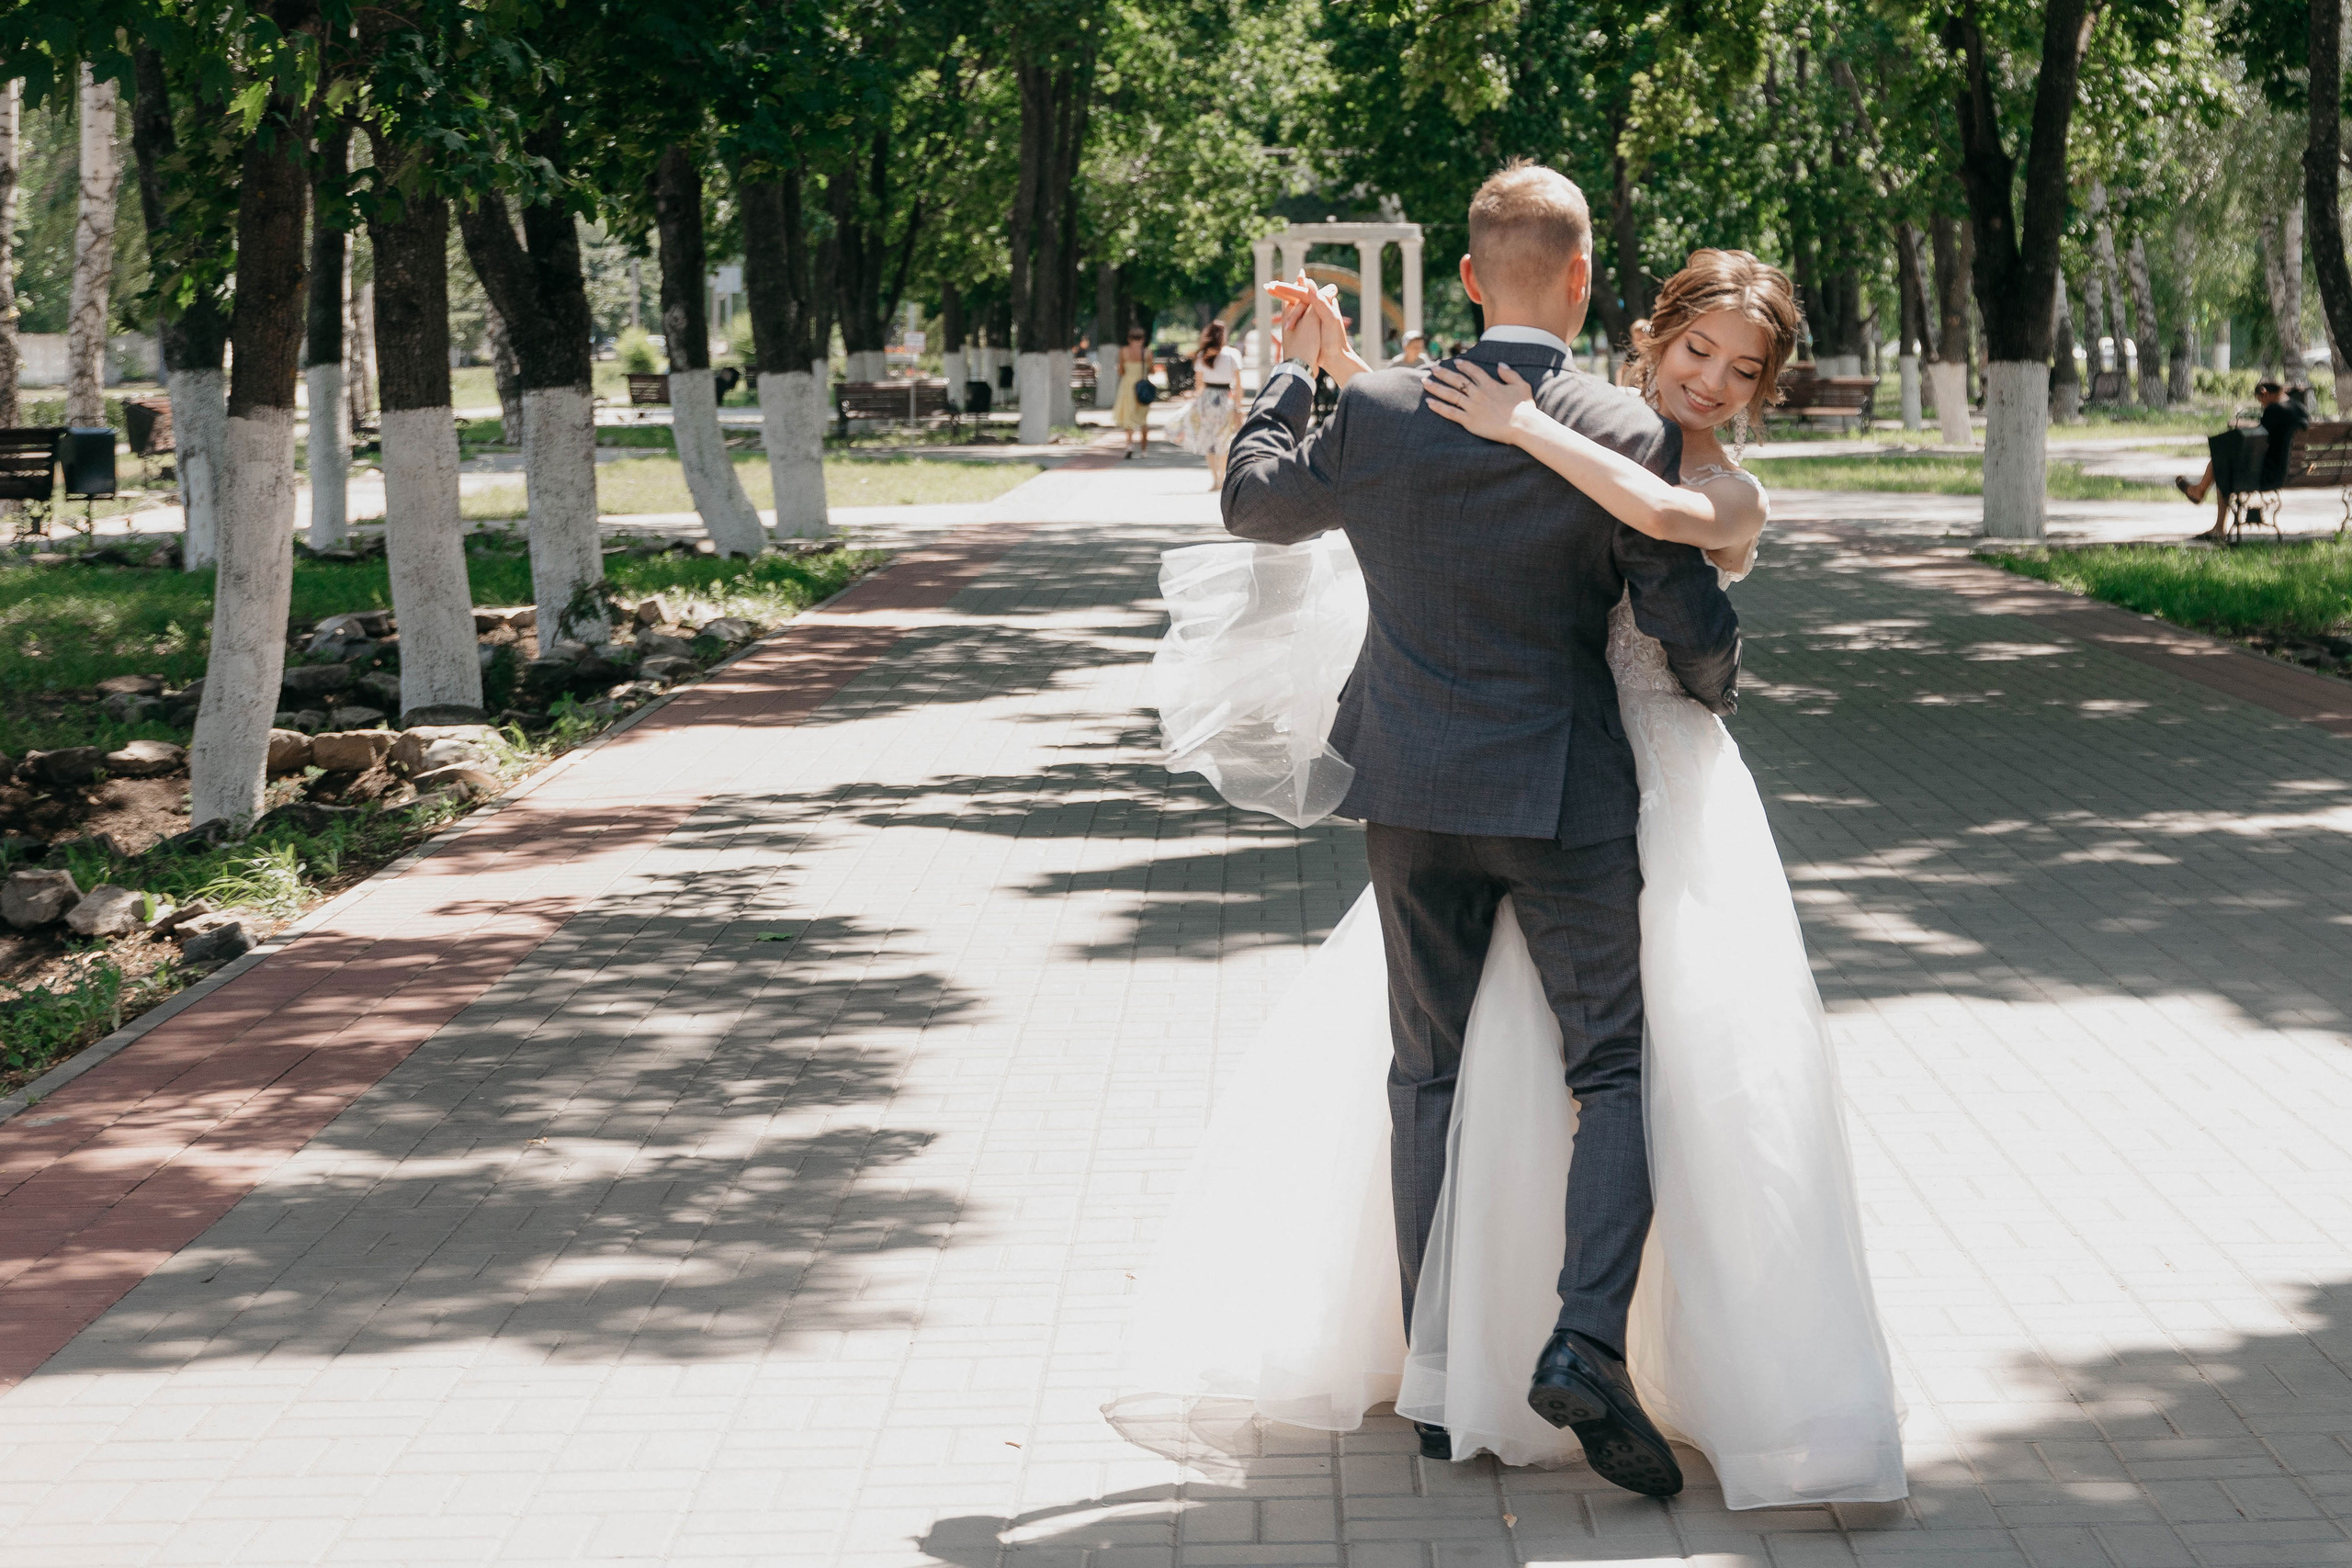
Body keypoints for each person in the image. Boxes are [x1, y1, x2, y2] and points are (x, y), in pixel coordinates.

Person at [1117, 165, 1906, 1511]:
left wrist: (1298, 378)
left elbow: (1253, 505)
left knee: (1425, 1070)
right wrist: (1711, 696)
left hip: (1411, 792)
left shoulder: (1375, 408)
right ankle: (1582, 1340)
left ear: (1469, 278)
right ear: (1596, 288)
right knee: (1612, 1066)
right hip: (1569, 795)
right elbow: (1687, 625)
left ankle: (1437, 1380)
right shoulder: (1628, 435)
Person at [2177, 380, 2309, 540]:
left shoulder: (2274, 410)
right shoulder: (2300, 409)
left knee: (2222, 465)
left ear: (2264, 391)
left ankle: (2214, 520)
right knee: (2223, 462)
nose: (2262, 405)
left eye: (2260, 400)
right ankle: (2198, 492)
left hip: (2268, 475)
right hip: (2290, 472)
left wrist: (2240, 428)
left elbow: (2259, 440)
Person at [1173, 320, 1245, 484]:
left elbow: (1199, 387)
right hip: (1226, 398)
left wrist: (1194, 400)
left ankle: (1215, 479)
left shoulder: (1202, 356)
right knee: (1224, 439)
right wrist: (1238, 407)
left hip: (1207, 401)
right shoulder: (1233, 354)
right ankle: (1223, 477)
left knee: (1209, 440)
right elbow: (1239, 385)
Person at [1111, 324, 1153, 457]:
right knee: (1143, 418)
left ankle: (1129, 445)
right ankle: (1144, 451)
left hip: (1127, 386)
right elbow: (1152, 370)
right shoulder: (1147, 352)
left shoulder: (1123, 351)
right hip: (1142, 387)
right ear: (1143, 339)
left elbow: (1121, 371)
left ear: (1129, 339)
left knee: (1129, 416)